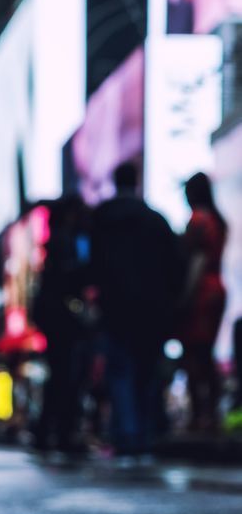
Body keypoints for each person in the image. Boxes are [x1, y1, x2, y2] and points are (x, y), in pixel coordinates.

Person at [92, 162, 183, 459]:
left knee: (121, 372)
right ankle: (142, 437)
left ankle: (127, 436)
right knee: (145, 373)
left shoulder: (102, 218)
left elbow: (92, 264)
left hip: (116, 308)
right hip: (151, 311)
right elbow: (174, 267)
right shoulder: (155, 220)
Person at [32, 196, 92, 457]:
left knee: (60, 376)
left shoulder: (58, 239)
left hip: (55, 315)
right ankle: (61, 433)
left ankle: (51, 432)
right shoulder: (67, 242)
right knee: (66, 376)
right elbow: (70, 277)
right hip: (62, 316)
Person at [178, 172, 227, 432]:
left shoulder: (199, 220)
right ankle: (212, 414)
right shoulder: (217, 221)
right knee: (205, 355)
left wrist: (185, 295)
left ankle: (200, 416)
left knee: (195, 356)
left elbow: (196, 261)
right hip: (216, 290)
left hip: (201, 294)